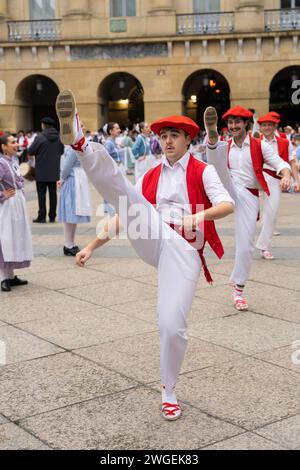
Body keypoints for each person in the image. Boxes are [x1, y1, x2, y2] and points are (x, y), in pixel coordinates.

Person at [56, 89, 234, 421]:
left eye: (174, 136)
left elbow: (227, 204)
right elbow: (127, 211)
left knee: (171, 326)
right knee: (126, 194)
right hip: (154, 233)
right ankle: (81, 143)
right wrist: (91, 247)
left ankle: (169, 390)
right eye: (163, 136)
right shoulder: (151, 173)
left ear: (187, 139)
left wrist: (200, 216)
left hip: (186, 245)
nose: (167, 141)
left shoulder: (201, 171)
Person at [204, 106, 291, 311]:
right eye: (230, 123)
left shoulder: (260, 146)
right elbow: (213, 169)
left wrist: (286, 175)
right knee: (217, 156)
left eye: (237, 122)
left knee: (245, 245)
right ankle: (211, 138)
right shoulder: (227, 145)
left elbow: (279, 163)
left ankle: (238, 289)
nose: (233, 126)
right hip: (226, 186)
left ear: (246, 124)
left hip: (247, 195)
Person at [255, 113, 299, 259]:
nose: (266, 127)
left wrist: (296, 181)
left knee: (272, 211)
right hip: (256, 177)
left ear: (274, 127)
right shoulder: (254, 141)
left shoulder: (284, 142)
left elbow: (291, 162)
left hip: (274, 178)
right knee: (248, 210)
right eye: (264, 125)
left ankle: (263, 246)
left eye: (269, 125)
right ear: (260, 127)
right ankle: (245, 243)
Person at [0, 134, 32, 292]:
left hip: (17, 204)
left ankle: (11, 275)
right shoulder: (0, 163)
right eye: (12, 142)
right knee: (5, 237)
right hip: (6, 206)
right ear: (3, 146)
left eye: (16, 142)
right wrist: (2, 195)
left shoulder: (13, 161)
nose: (16, 144)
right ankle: (3, 277)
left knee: (16, 237)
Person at [28, 117, 64, 223]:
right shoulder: (59, 138)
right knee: (53, 194)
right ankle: (52, 216)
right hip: (53, 171)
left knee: (41, 194)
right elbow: (61, 151)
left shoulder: (40, 137)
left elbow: (31, 150)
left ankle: (42, 217)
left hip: (41, 171)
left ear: (44, 125)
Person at [58, 146, 92, 256]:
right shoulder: (74, 147)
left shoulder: (76, 146)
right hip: (74, 180)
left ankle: (70, 244)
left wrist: (62, 178)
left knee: (73, 215)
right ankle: (68, 244)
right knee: (71, 214)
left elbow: (66, 167)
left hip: (76, 179)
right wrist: (62, 178)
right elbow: (66, 167)